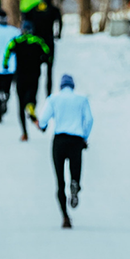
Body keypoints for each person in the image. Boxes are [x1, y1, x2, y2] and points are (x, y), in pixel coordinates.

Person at [35, 74, 93, 229]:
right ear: (72, 86)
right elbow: (89, 120)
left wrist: (40, 125)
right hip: (76, 141)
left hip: (59, 141)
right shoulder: (82, 100)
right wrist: (84, 137)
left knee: (60, 181)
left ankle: (65, 217)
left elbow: (42, 121)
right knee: (75, 172)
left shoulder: (53, 99)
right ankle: (75, 185)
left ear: (61, 86)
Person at [3, 21, 50, 141]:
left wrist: (5, 64)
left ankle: (24, 133)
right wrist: (44, 60)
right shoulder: (38, 40)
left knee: (20, 104)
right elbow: (47, 53)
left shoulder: (17, 41)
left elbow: (8, 51)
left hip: (20, 76)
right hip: (34, 75)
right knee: (31, 97)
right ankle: (31, 108)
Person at [30, 0, 62, 96]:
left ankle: (34, 94)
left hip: (36, 43)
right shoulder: (54, 10)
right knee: (49, 72)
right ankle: (48, 95)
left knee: (35, 71)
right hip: (49, 42)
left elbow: (26, 20)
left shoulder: (35, 8)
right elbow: (60, 22)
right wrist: (58, 34)